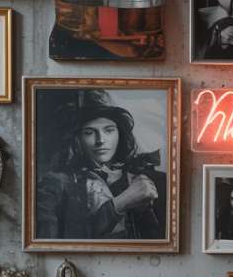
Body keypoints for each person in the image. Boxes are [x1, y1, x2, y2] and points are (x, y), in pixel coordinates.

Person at [36, 91, 167, 241]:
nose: (100, 140)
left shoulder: (148, 179)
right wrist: (121, 203)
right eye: (89, 132)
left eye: (109, 130)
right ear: (77, 139)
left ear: (120, 133)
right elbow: (50, 242)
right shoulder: (55, 184)